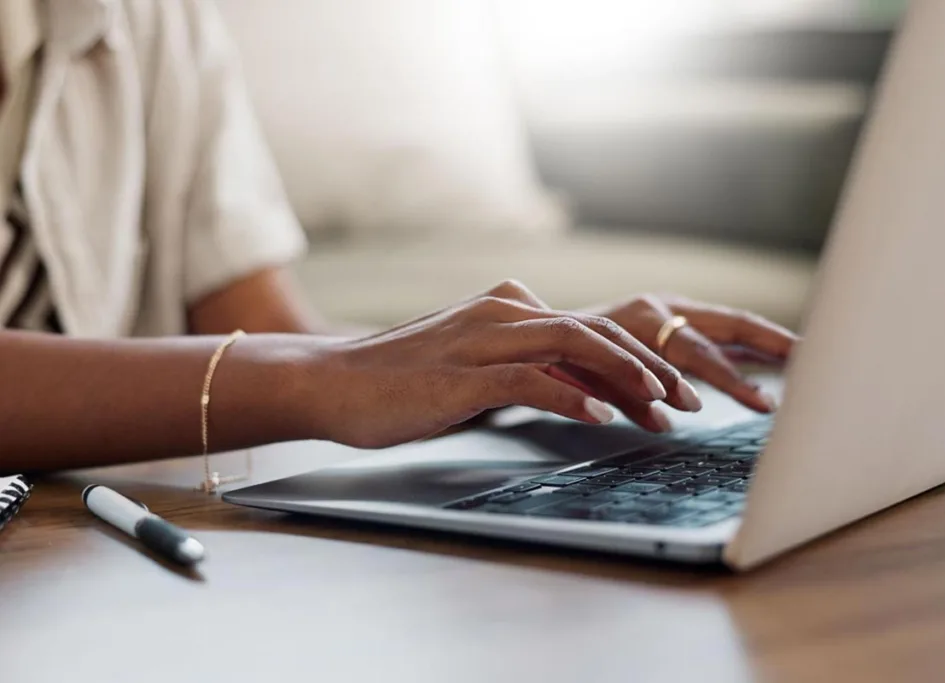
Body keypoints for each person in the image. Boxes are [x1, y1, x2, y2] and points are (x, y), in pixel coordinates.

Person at [0, 0, 795, 475]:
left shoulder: (160, 19)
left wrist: (522, 356)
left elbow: (265, 330)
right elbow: (303, 370)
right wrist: (321, 376)